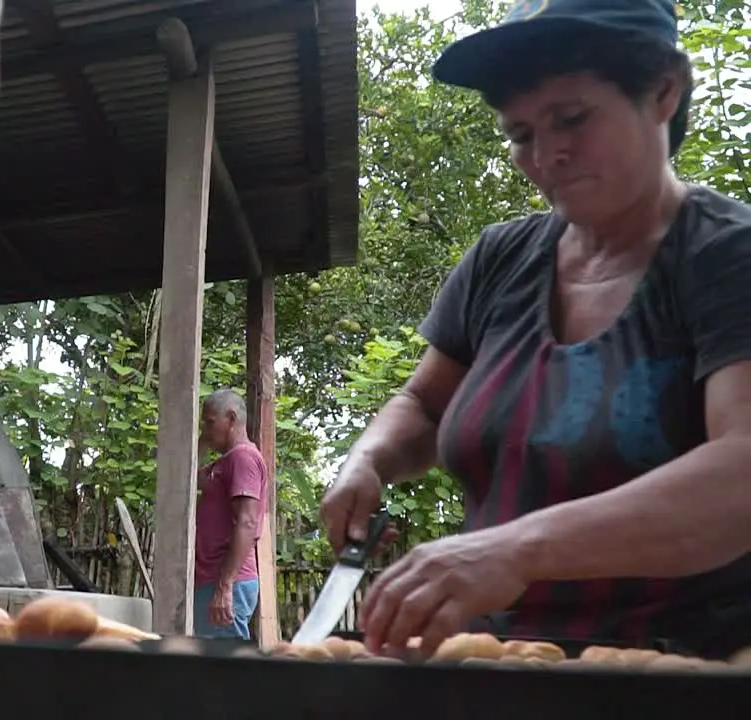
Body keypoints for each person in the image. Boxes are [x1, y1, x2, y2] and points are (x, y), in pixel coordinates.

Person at [320, 0, 751, 660]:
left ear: (665, 90)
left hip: (684, 676)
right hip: (502, 670)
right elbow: (424, 405)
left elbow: (740, 473)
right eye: (520, 134)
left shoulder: (725, 257)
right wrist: (369, 458)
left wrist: (517, 550)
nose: (546, 154)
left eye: (572, 118)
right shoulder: (502, 260)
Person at [192, 389, 268, 640]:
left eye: (211, 422)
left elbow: (247, 522)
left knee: (225, 673)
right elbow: (188, 478)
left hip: (226, 582)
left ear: (232, 418)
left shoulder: (243, 458)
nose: (206, 429)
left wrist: (225, 587)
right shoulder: (224, 463)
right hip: (214, 581)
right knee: (210, 672)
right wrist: (205, 439)